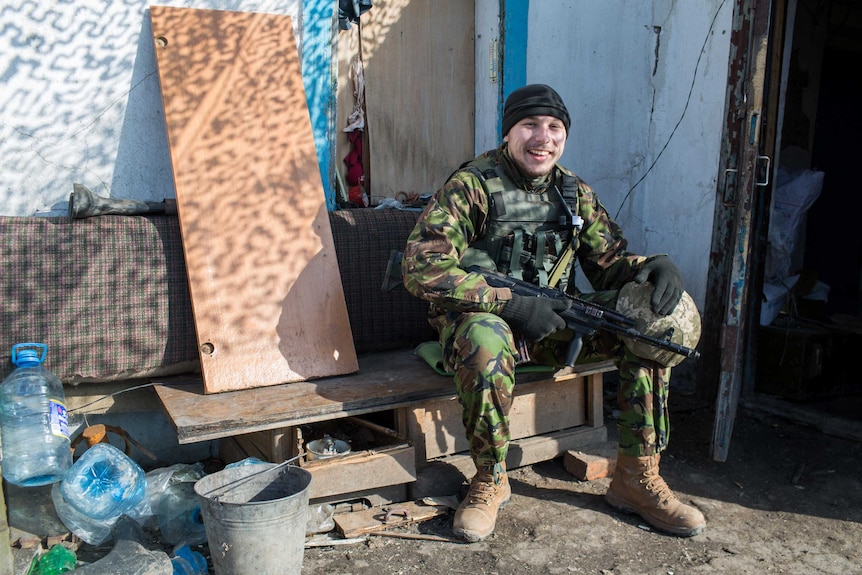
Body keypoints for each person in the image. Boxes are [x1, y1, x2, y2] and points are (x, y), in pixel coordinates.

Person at [401, 84, 704, 542]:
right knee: (485, 338)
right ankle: (490, 478)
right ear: (508, 134)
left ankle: (636, 478)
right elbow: (422, 268)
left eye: (554, 128)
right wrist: (514, 304)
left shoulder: (572, 192)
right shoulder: (473, 186)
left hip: (556, 321)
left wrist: (650, 266)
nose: (542, 138)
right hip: (484, 321)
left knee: (646, 329)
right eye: (530, 126)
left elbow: (609, 267)